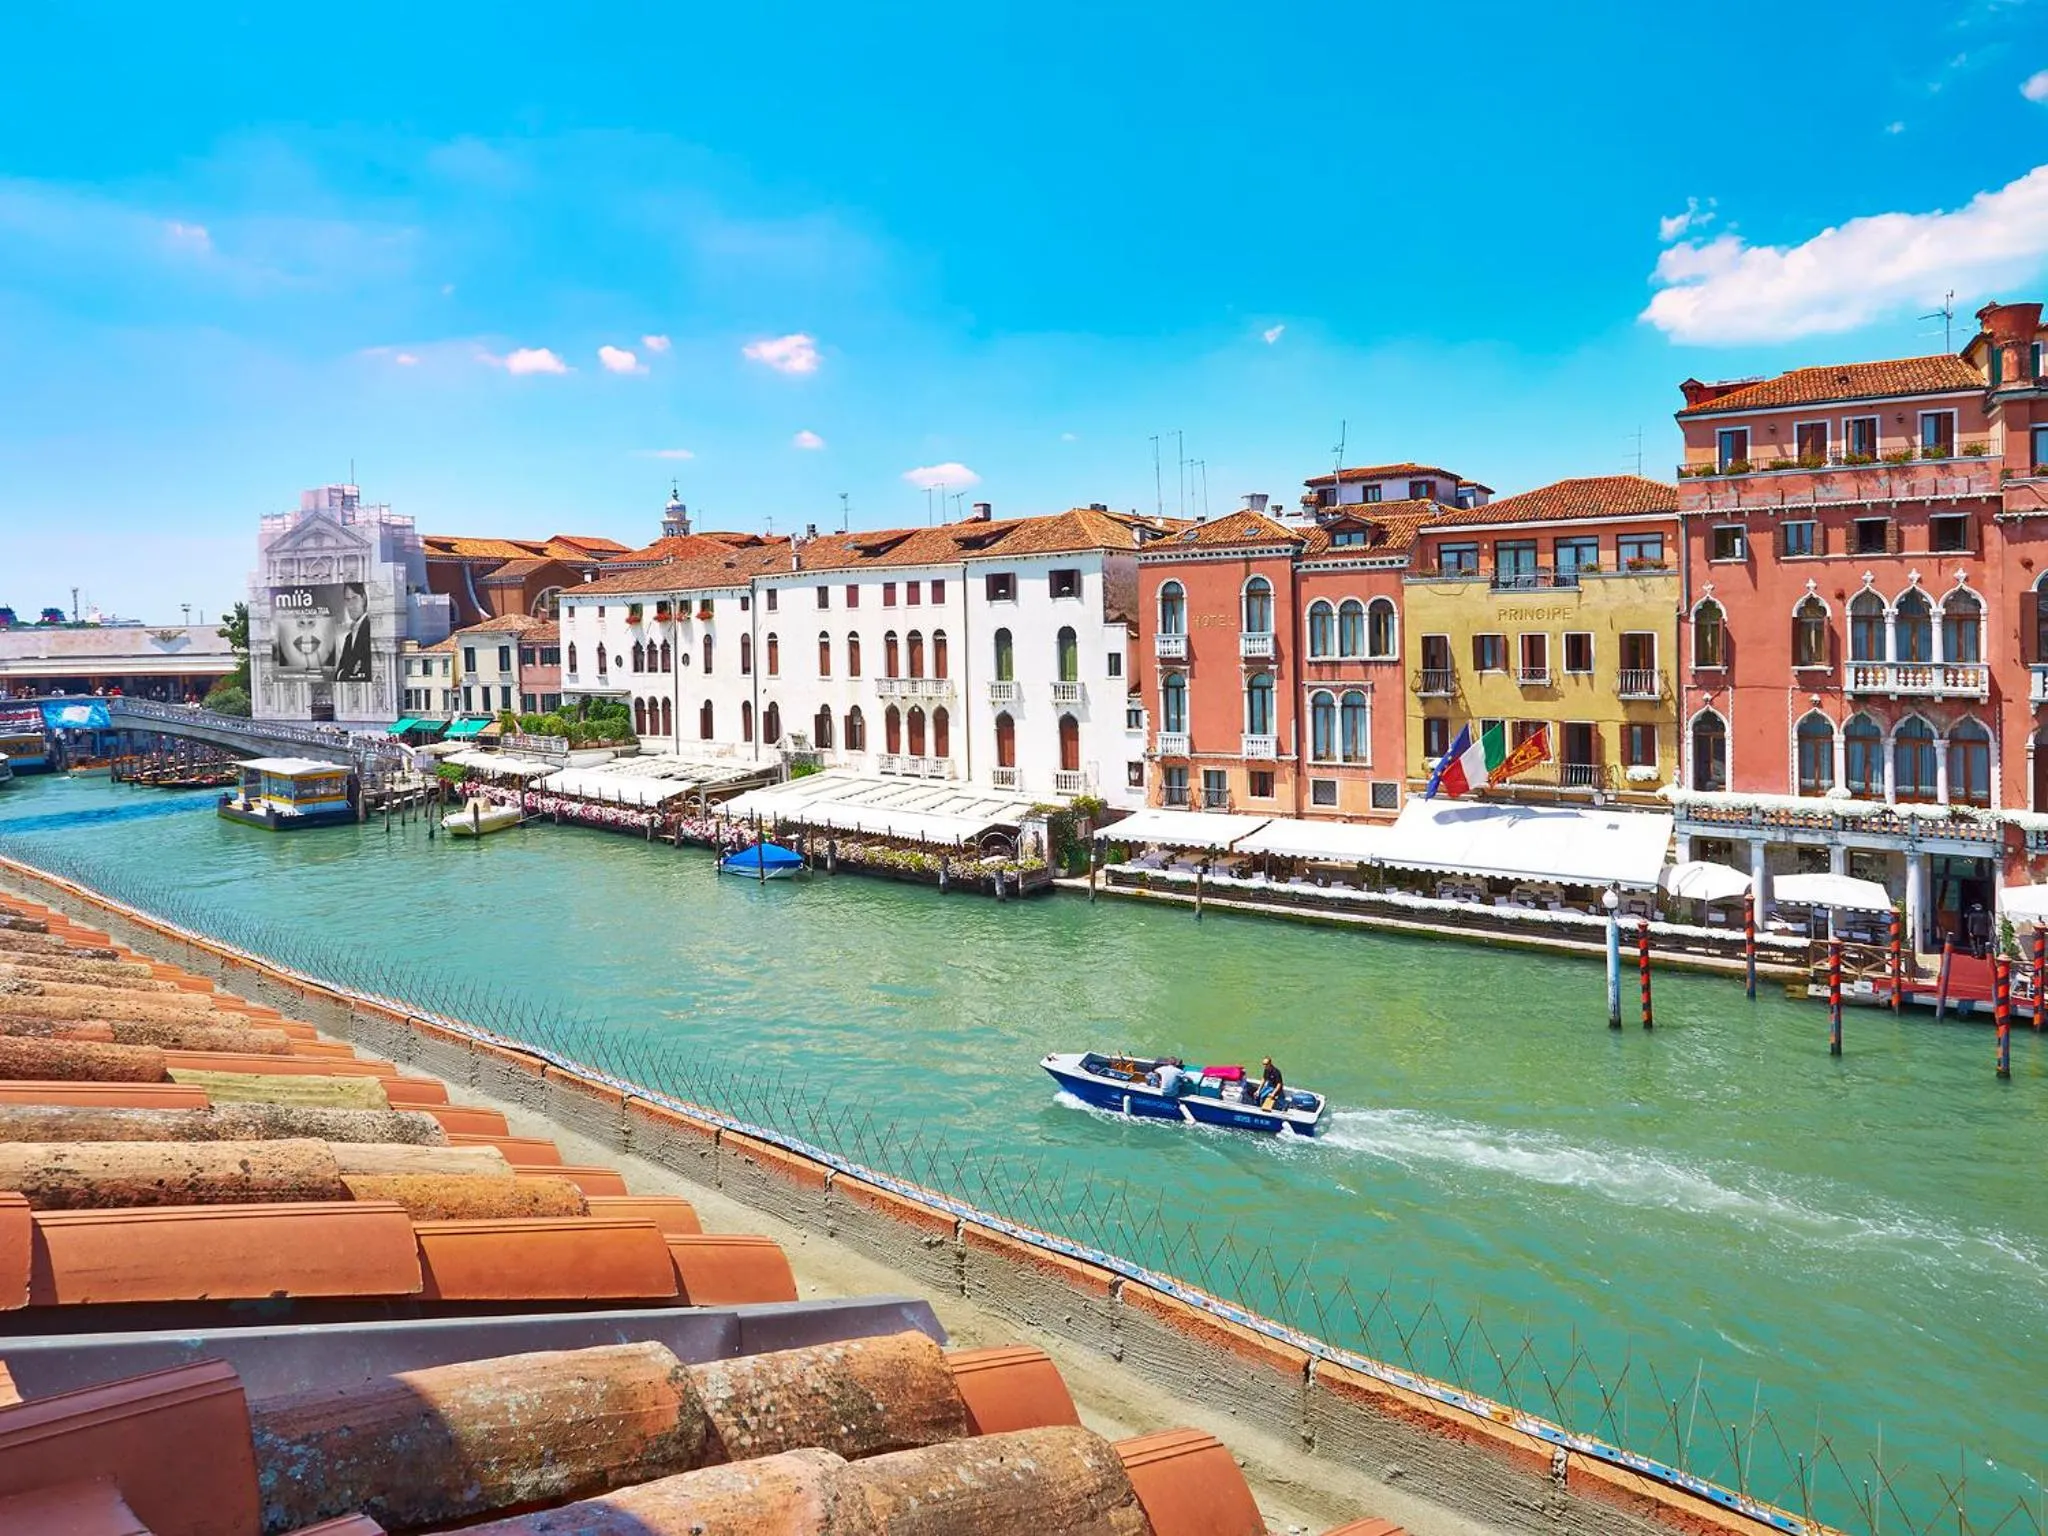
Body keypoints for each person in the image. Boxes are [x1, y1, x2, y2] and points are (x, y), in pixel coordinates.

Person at [335, 583, 373, 682]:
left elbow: (365, 671)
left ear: (364, 599)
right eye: (347, 600)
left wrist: (344, 674)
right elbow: (340, 671)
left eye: (354, 598)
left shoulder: (371, 629)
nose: (351, 606)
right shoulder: (349, 637)